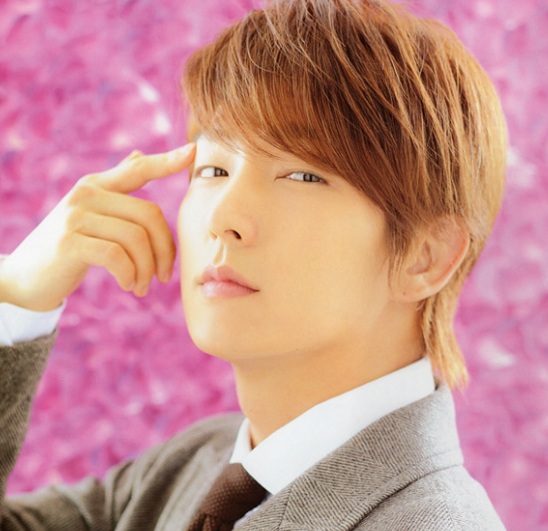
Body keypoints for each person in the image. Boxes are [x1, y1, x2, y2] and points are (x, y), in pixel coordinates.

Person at [0, 0, 507, 528]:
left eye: (302, 175)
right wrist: (16, 294)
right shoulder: (187, 469)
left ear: (427, 256)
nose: (223, 218)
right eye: (212, 169)